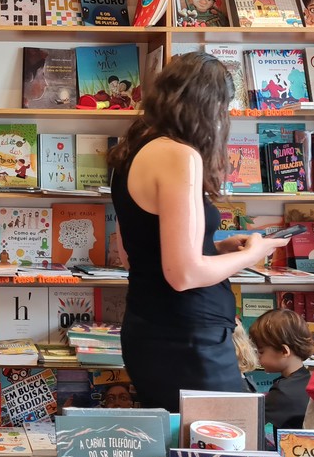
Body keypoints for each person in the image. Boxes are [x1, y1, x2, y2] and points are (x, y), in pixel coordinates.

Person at [108, 52, 289, 412]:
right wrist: (251, 254)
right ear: (209, 107)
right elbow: (184, 274)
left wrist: (218, 247)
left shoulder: (132, 149)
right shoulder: (180, 155)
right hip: (189, 340)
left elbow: (134, 251)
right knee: (228, 455)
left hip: (150, 326)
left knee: (182, 455)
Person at [248, 308, 314, 436]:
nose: (258, 357)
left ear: (284, 351)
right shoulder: (307, 379)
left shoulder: (284, 392)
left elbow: (247, 422)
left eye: (261, 352)